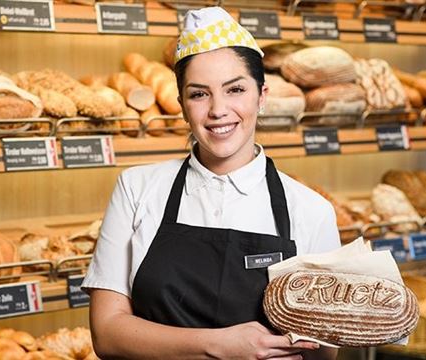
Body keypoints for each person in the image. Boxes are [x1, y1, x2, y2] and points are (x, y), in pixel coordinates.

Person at [82, 6, 340, 359]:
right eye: (199, 94)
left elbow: (323, 353)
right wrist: (217, 346)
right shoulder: (136, 188)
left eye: (235, 90)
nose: (218, 109)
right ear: (182, 106)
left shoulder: (311, 211)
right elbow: (108, 333)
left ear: (261, 97)